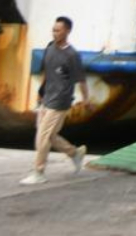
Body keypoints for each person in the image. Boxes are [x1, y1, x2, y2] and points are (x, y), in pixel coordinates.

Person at [21, 17, 88, 185]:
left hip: (61, 101)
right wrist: (40, 93)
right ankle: (75, 153)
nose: (55, 33)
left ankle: (39, 172)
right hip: (47, 98)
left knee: (43, 135)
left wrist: (86, 100)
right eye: (53, 29)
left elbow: (81, 79)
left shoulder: (72, 55)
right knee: (49, 136)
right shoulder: (50, 48)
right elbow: (47, 74)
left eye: (58, 30)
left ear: (67, 31)